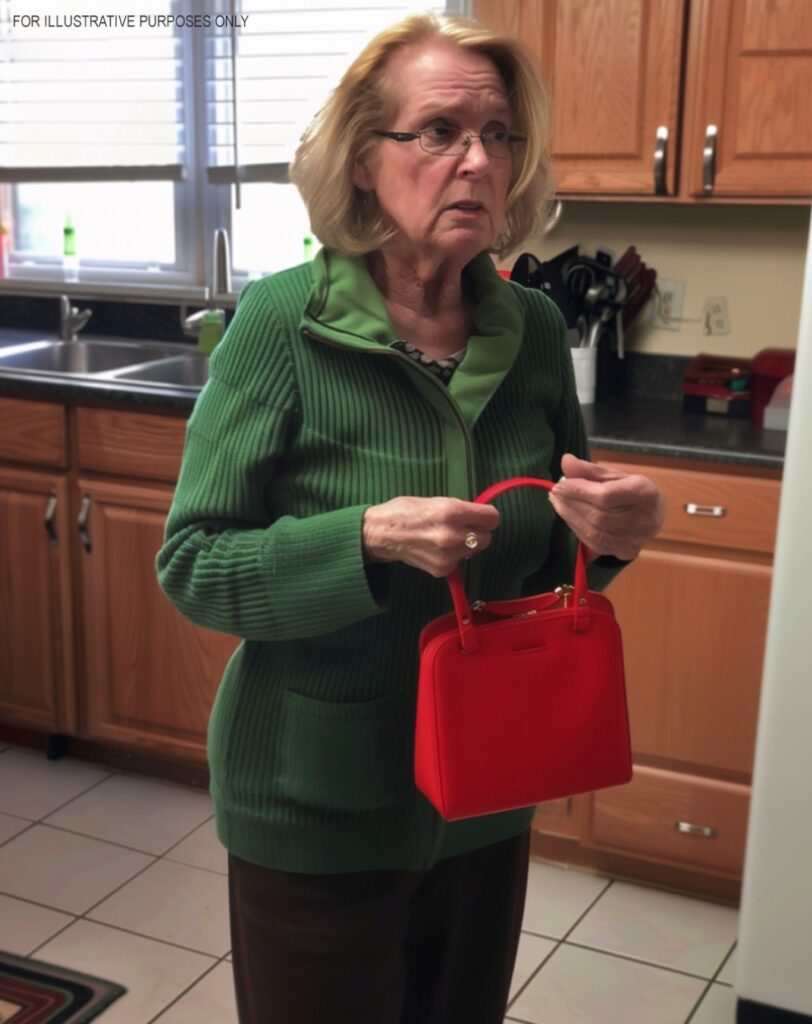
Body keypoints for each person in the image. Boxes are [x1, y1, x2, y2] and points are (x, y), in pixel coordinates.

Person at [156, 11, 665, 1023]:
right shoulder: (282, 324)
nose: (480, 161)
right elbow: (195, 564)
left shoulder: (533, 328)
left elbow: (552, 558)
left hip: (487, 788)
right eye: (440, 132)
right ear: (361, 159)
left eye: (500, 135)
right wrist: (365, 539)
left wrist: (610, 537)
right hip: (317, 801)